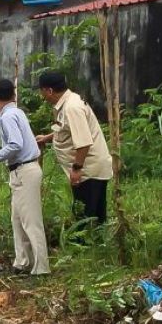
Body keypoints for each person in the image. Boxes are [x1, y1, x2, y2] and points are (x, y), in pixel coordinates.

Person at [0, 79, 49, 276]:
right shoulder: (14, 112)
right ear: (13, 95)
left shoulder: (8, 117)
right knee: (17, 219)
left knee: (31, 222)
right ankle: (22, 262)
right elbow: (1, 120)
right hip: (21, 172)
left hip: (24, 172)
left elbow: (15, 144)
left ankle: (41, 269)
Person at [34, 71, 113, 226]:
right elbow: (68, 128)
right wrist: (47, 138)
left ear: (49, 91)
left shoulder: (72, 107)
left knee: (85, 217)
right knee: (93, 215)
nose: (42, 96)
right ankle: (95, 245)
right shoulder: (68, 102)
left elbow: (84, 142)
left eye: (42, 91)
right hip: (90, 168)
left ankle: (85, 247)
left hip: (88, 171)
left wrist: (77, 169)